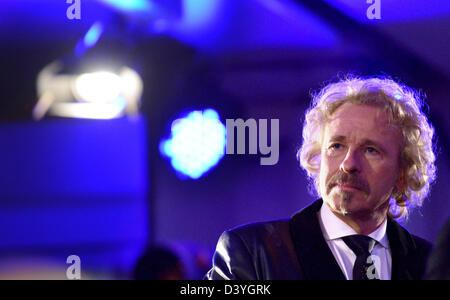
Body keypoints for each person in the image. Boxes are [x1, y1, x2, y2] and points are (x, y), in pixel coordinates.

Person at [205, 75, 436, 280]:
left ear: (403, 174)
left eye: (370, 150)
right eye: (336, 146)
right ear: (317, 157)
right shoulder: (252, 252)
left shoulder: (432, 265)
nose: (348, 164)